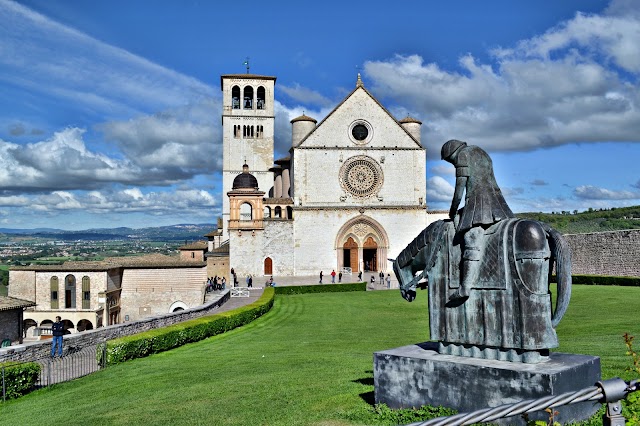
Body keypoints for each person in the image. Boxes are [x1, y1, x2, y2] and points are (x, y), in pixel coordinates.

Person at [441, 139, 514, 300]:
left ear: (452, 154)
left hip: (478, 204)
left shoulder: (462, 155)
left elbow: (460, 188)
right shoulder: (481, 152)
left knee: (471, 237)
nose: (453, 164)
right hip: (497, 203)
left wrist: (452, 210)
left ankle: (465, 287)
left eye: (450, 161)